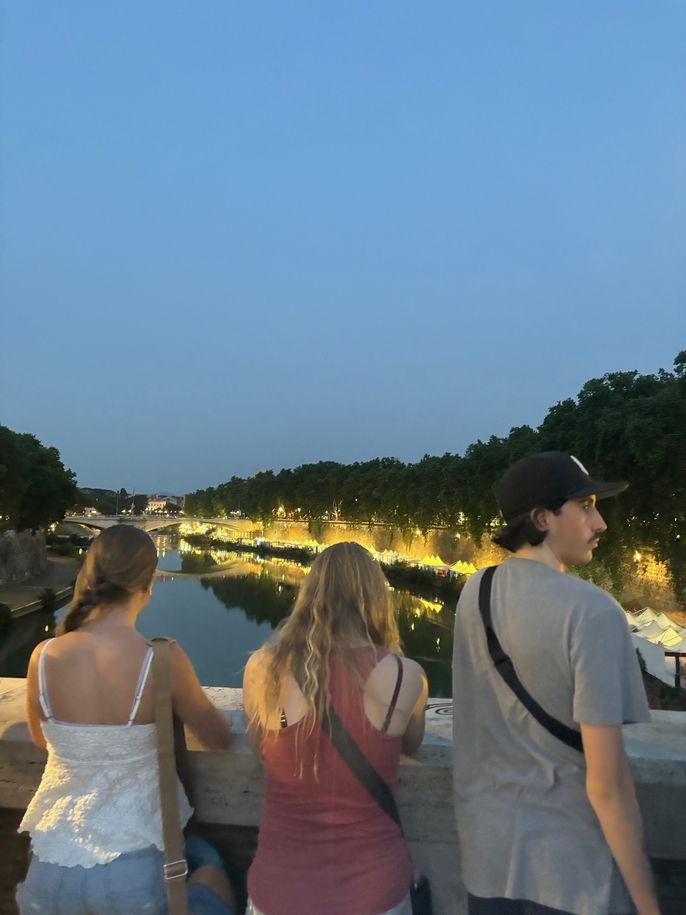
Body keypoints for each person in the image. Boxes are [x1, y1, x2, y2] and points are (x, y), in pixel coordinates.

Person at [452, 452, 658, 915]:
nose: (600, 522)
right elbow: (609, 786)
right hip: (571, 874)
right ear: (543, 518)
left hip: (488, 859)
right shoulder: (593, 611)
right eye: (585, 506)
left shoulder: (474, 592)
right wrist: (648, 903)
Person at [17, 524, 235, 915]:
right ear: (150, 582)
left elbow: (41, 737)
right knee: (211, 866)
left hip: (50, 865)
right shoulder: (162, 659)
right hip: (130, 869)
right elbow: (217, 736)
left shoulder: (44, 656)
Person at [242, 541, 429, 915]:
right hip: (376, 893)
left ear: (309, 594)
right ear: (377, 597)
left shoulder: (264, 669)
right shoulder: (405, 677)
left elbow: (257, 745)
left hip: (279, 893)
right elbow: (411, 744)